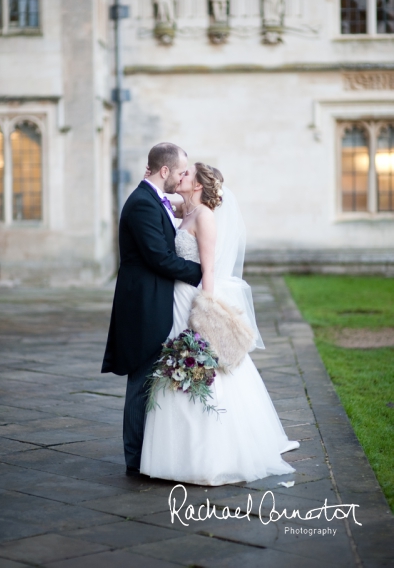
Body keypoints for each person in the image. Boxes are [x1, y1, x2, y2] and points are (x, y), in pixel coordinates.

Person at [140, 163, 298, 485]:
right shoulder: (183, 210)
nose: (180, 176)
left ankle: (214, 455)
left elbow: (208, 270)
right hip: (173, 299)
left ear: (198, 185)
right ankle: (174, 454)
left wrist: (204, 316)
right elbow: (160, 202)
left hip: (194, 300)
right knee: (174, 366)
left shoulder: (205, 218)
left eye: (186, 174)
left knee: (204, 367)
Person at [101, 142, 203, 477]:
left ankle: (150, 454)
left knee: (150, 382)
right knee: (141, 382)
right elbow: (159, 257)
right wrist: (200, 273)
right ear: (164, 171)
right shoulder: (143, 204)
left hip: (156, 302)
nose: (182, 177)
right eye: (179, 172)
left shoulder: (152, 199)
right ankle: (135, 460)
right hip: (143, 306)